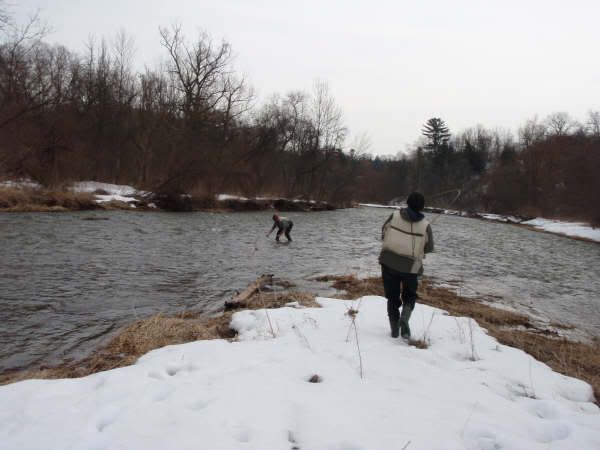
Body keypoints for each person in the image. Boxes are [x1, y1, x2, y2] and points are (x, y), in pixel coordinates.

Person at [379, 192, 434, 339]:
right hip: (411, 268)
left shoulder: (394, 215)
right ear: (422, 207)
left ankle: (394, 329)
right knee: (410, 296)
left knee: (392, 297)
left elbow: (383, 232)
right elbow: (429, 248)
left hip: (388, 262)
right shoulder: (426, 225)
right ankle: (404, 318)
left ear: (407, 202)